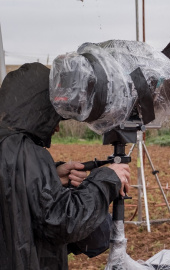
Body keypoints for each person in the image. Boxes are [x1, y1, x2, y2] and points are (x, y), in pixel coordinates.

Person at [0, 63, 131, 270]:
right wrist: (106, 179)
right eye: (55, 116)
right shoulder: (26, 151)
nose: (58, 127)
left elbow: (17, 196)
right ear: (40, 110)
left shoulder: (8, 147)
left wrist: (52, 175)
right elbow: (61, 222)